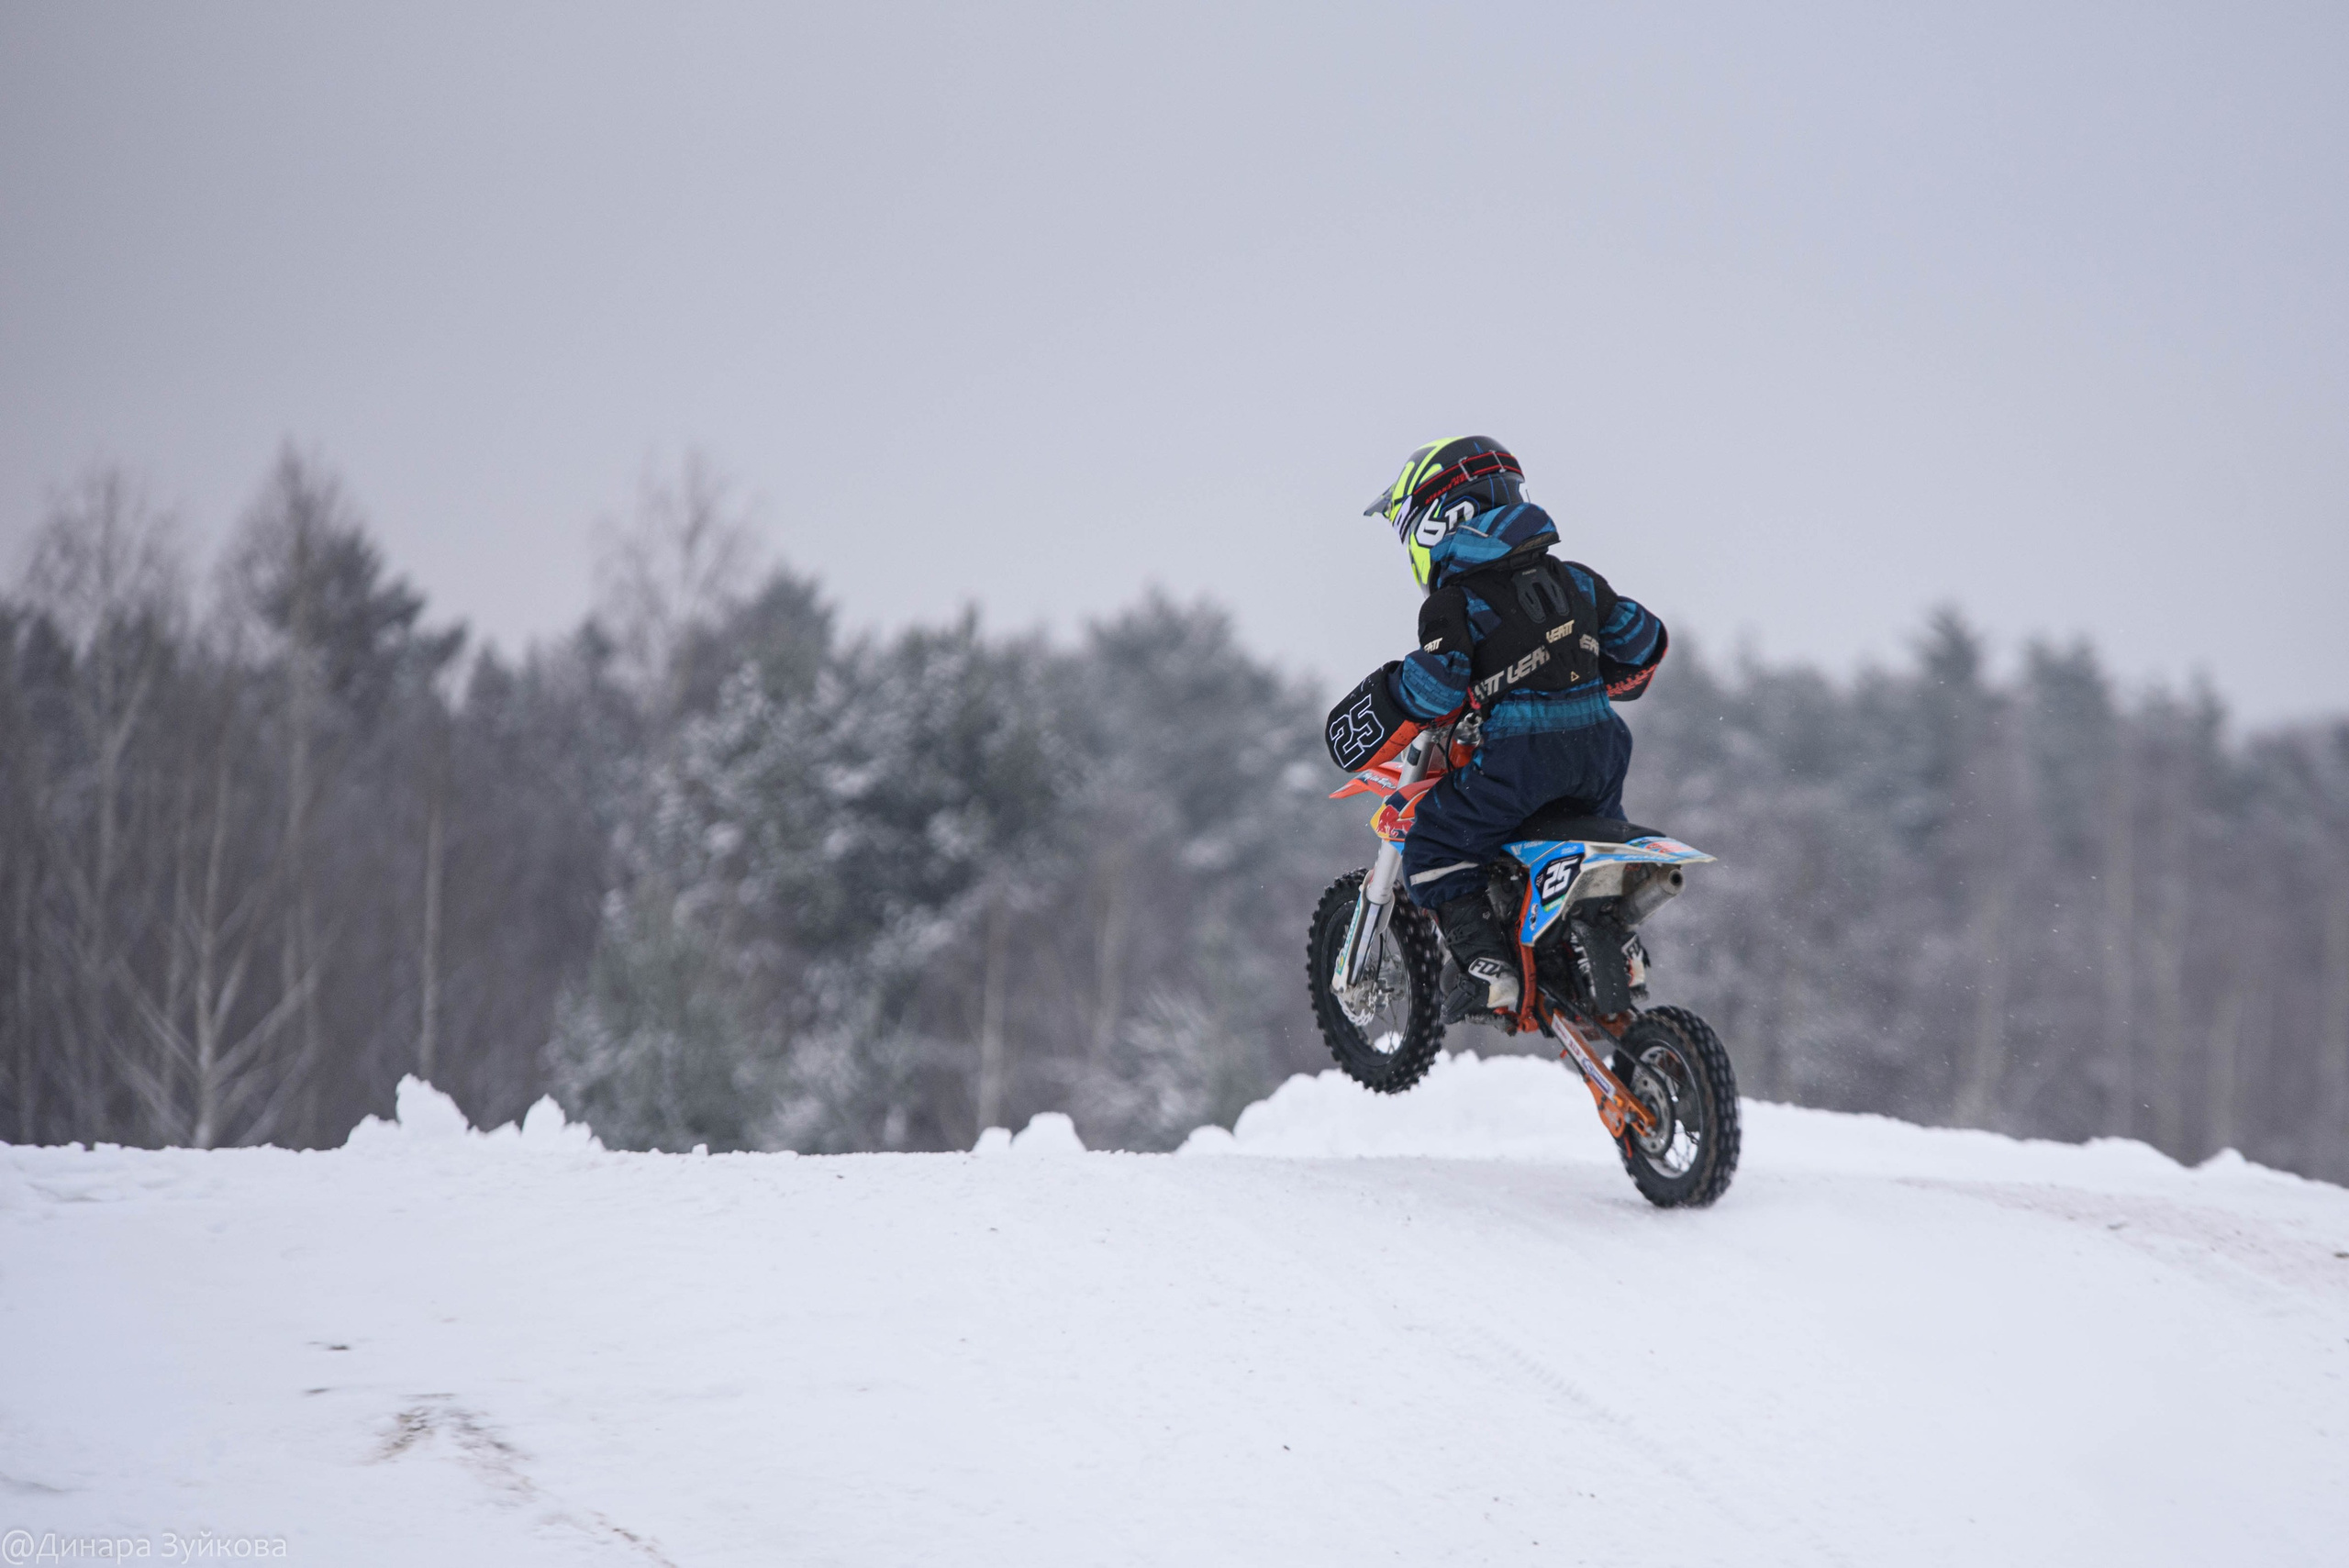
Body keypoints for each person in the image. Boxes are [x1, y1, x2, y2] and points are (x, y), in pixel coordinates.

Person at [1324, 437, 1668, 1020]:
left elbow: (1435, 686)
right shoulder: (1578, 581)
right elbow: (1644, 641)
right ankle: (1611, 941)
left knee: (1435, 844)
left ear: (1440, 520)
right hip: (1601, 754)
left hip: (1517, 758)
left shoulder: (1453, 602)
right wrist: (1581, 669)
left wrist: (1389, 690)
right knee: (1581, 831)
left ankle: (1489, 967)